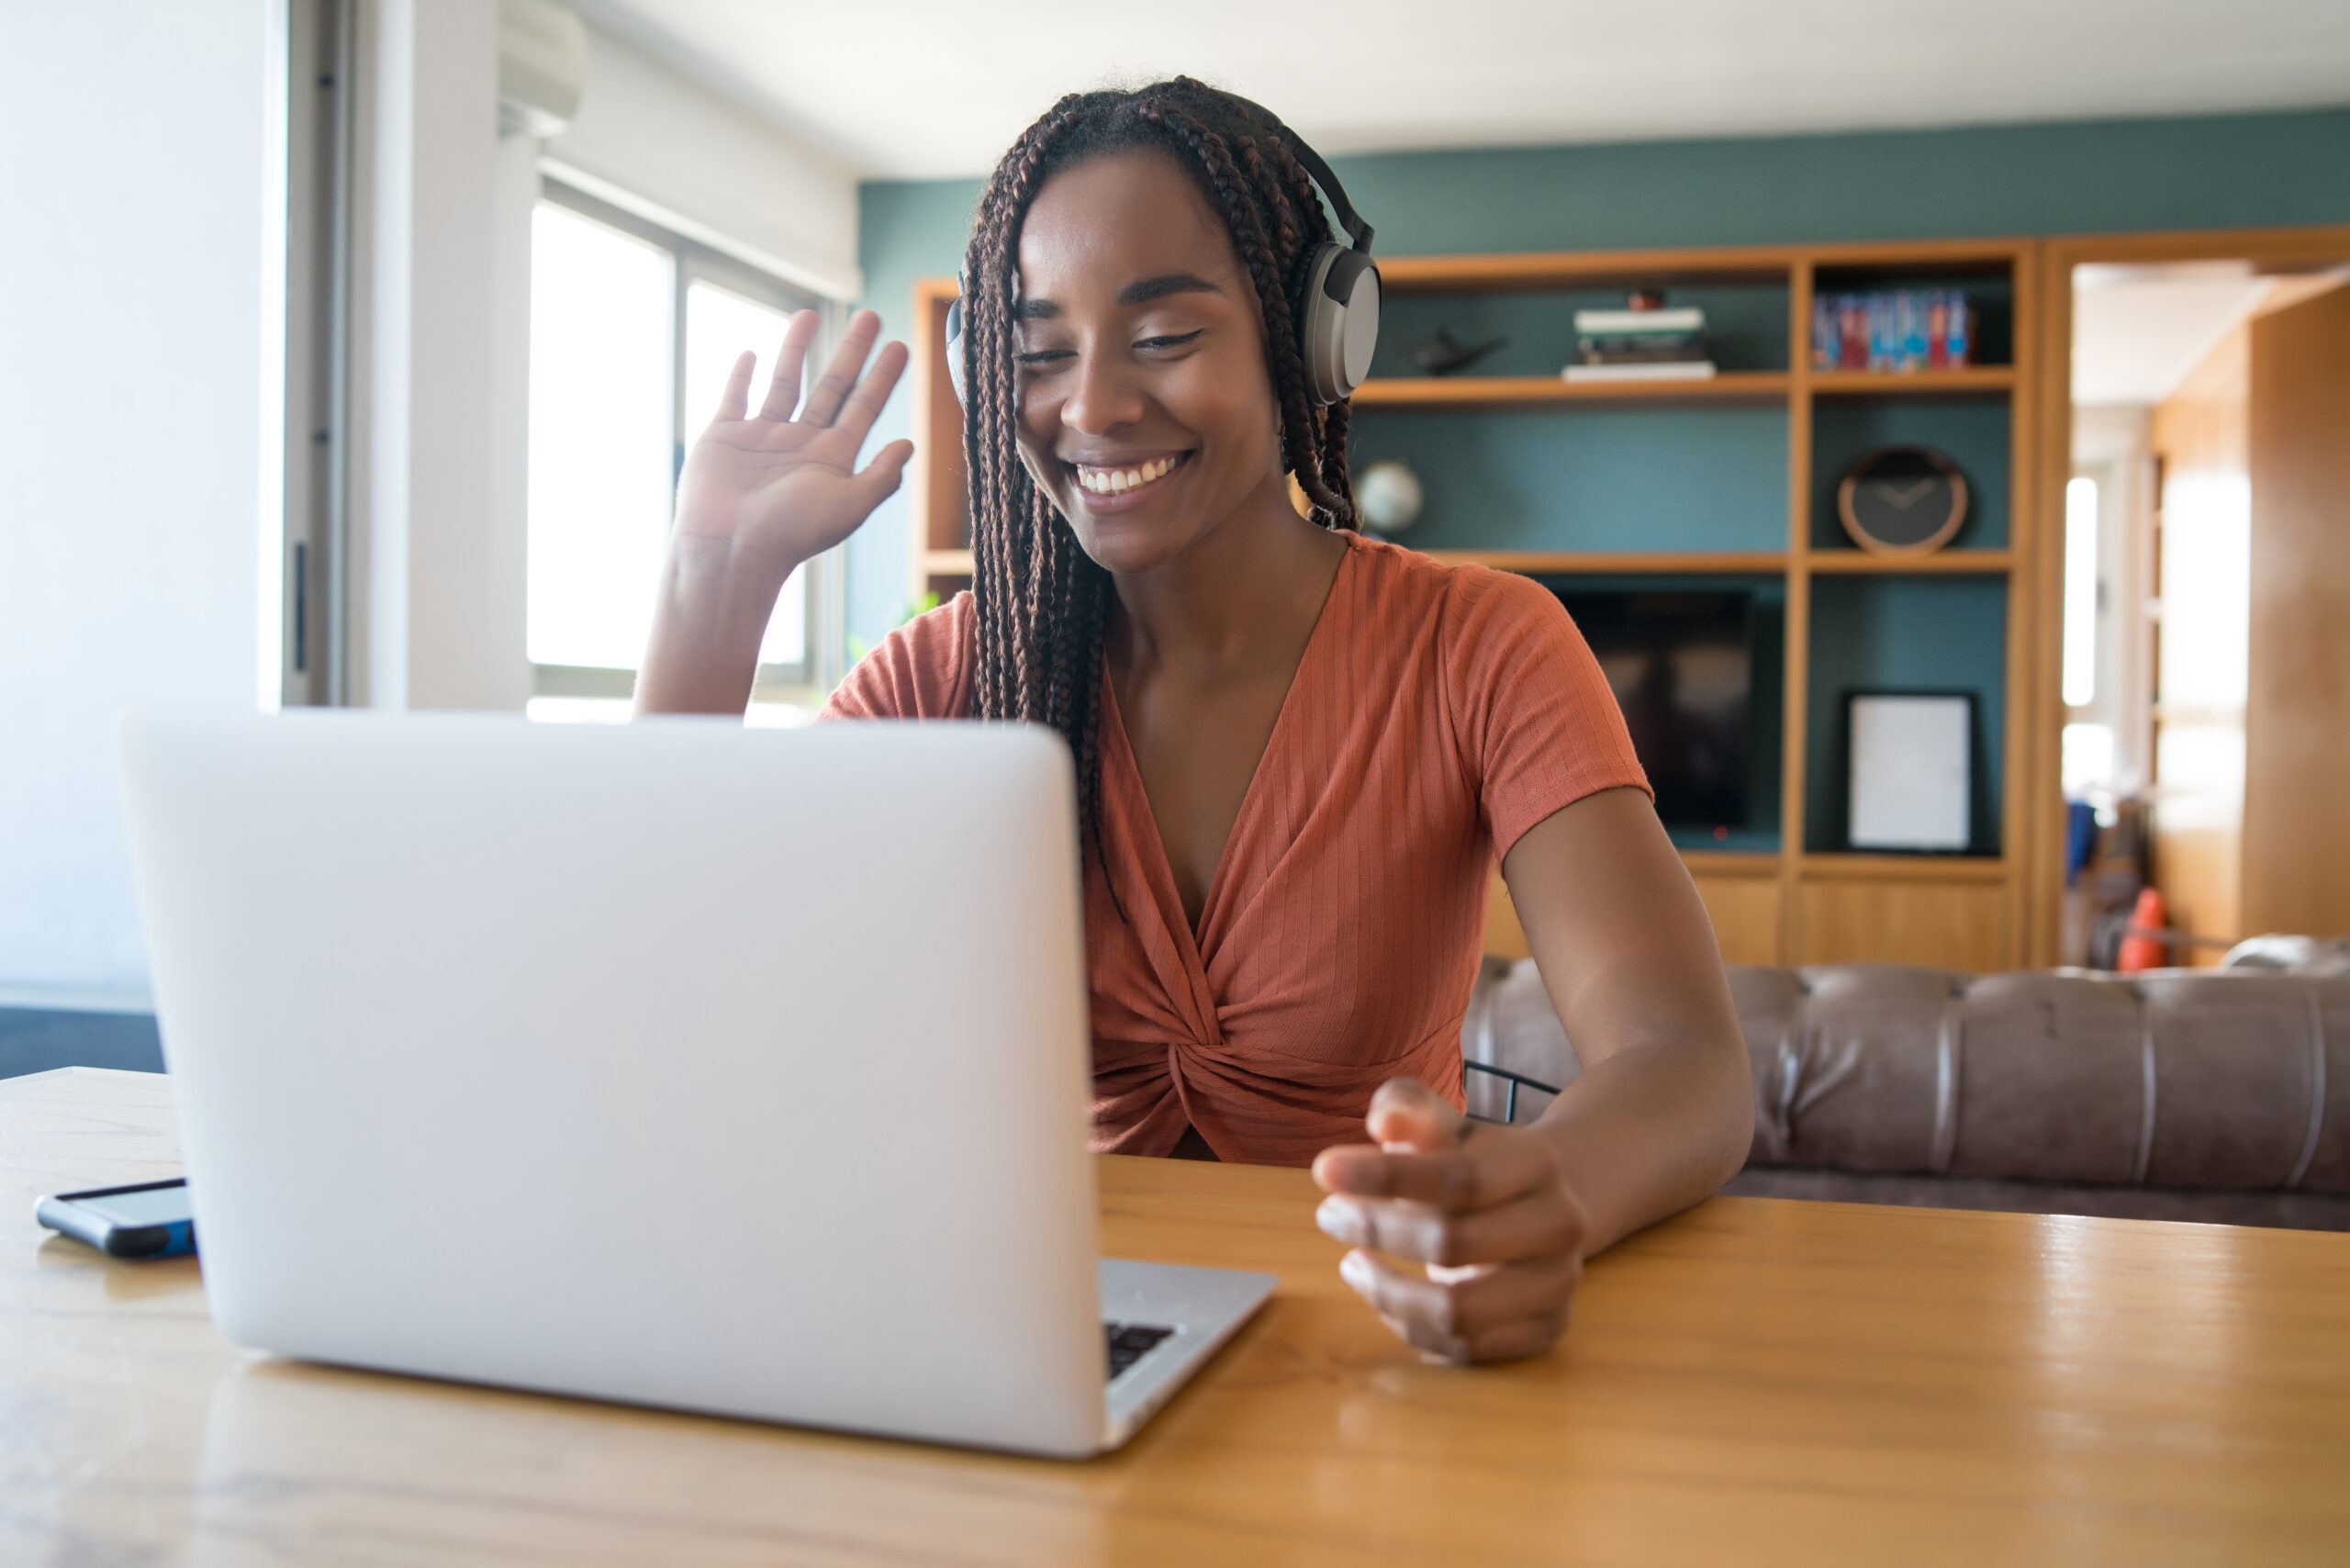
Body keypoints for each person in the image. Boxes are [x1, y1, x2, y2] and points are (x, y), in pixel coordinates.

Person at [636, 79, 1752, 1365]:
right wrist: (712, 584)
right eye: (1039, 349)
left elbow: (1683, 1058)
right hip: (1048, 1343)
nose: (1092, 407)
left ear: (1311, 344)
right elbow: (659, 988)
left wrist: (1552, 1190)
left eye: (1164, 335)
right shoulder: (951, 675)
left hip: (1376, 1341)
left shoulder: (1479, 647)